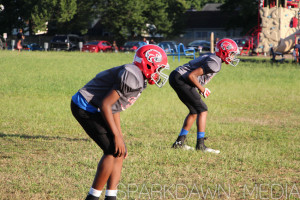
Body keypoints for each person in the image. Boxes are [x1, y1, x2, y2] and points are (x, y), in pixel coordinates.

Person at [70, 44, 169, 200]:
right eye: (158, 68)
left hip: (98, 107)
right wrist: (115, 137)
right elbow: (105, 105)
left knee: (119, 152)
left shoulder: (138, 78)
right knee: (111, 151)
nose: (158, 74)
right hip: (85, 107)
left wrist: (120, 138)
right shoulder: (131, 77)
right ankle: (92, 197)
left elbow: (115, 108)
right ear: (148, 63)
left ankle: (111, 196)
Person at [169, 38, 240, 154]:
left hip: (177, 77)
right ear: (223, 52)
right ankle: (200, 145)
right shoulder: (215, 63)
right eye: (231, 54)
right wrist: (202, 89)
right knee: (202, 109)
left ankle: (179, 143)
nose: (232, 57)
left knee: (194, 111)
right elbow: (191, 76)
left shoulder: (214, 59)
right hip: (181, 79)